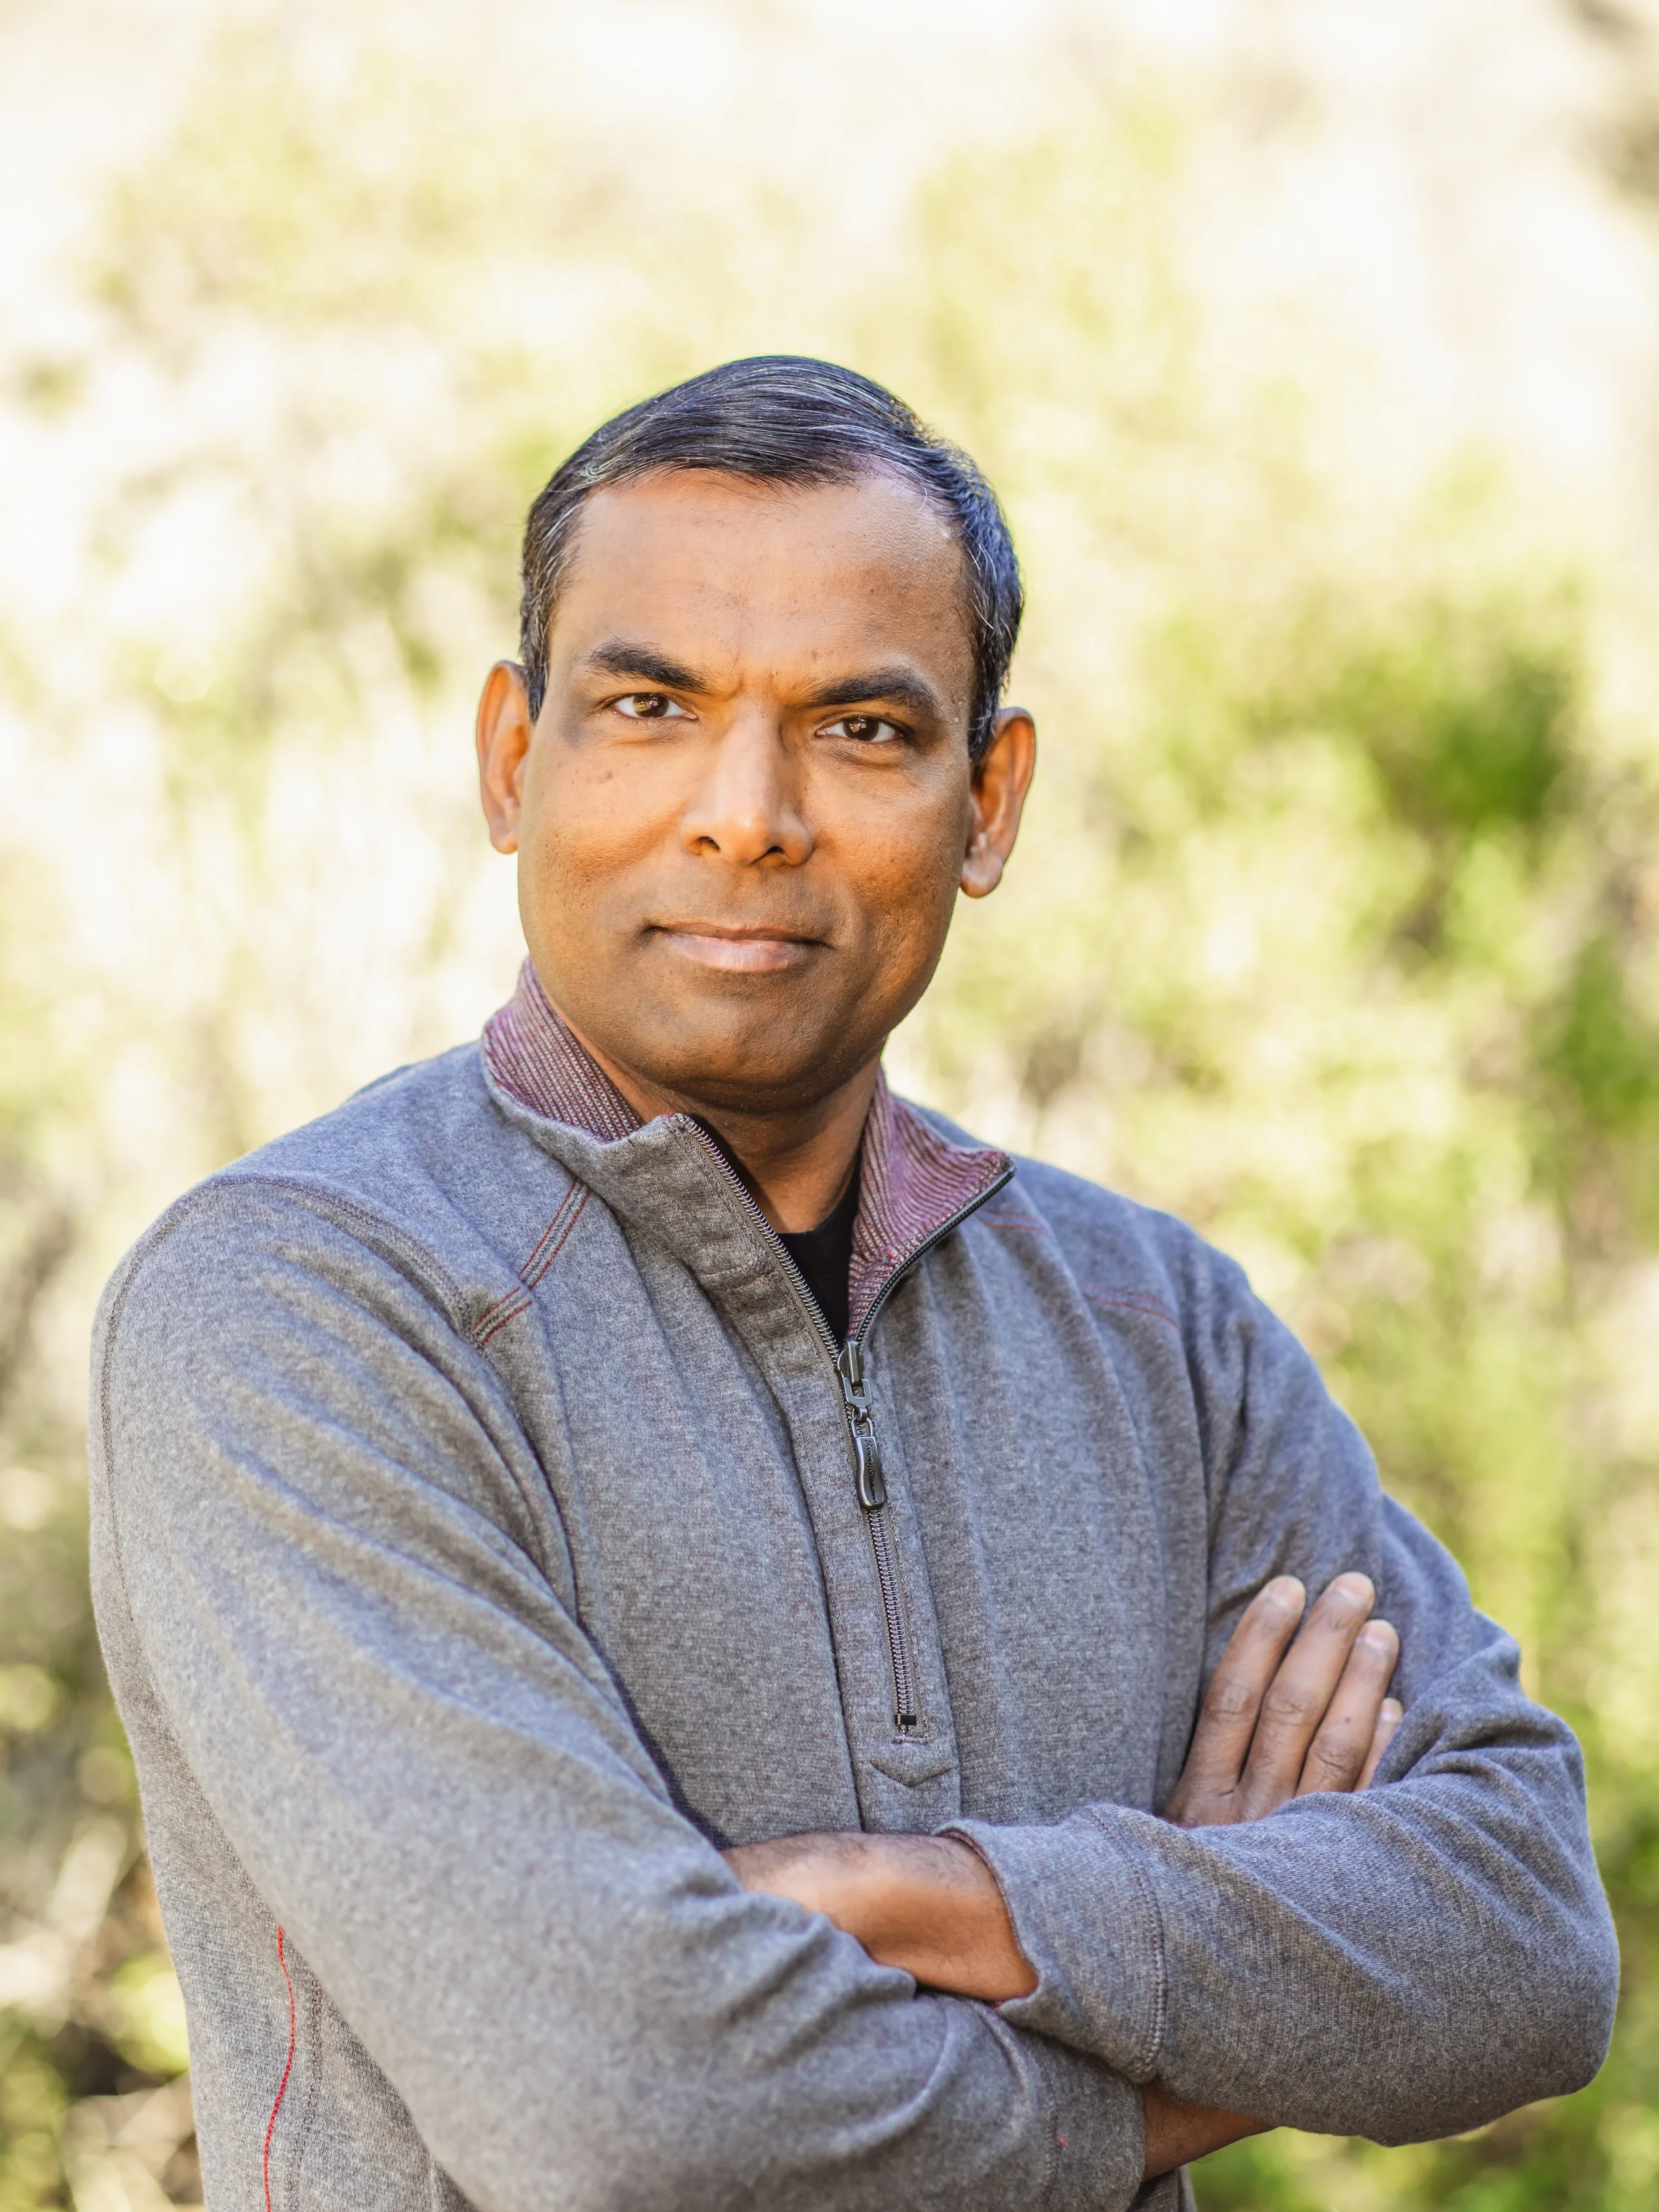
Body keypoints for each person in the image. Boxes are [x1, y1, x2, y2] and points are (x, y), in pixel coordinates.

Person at [90, 357, 1617, 2212]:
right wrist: (1201, 2035)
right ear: (513, 758)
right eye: (649, 706)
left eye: (862, 730)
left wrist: (954, 1904)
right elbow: (623, 2107)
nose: (746, 814)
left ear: (990, 800)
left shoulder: (1159, 1333)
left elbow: (1525, 1937)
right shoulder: (304, 1305)